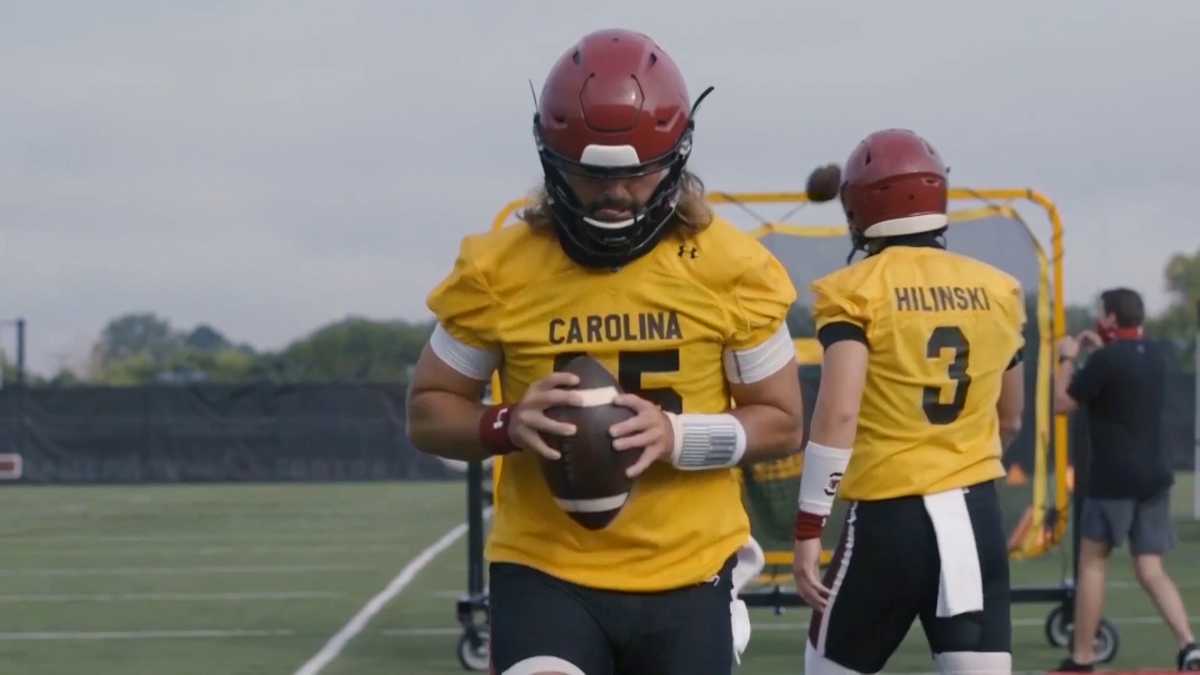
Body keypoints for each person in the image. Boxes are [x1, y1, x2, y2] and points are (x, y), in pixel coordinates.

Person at [405, 29, 806, 675]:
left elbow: (783, 421)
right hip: (545, 568)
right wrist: (506, 422)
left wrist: (677, 434)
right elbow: (427, 411)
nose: (614, 192)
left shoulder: (732, 268)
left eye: (636, 172)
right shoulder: (500, 269)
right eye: (591, 175)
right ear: (552, 162)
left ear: (675, 160)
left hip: (689, 569)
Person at [791, 129, 1026, 675]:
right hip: (974, 516)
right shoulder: (1000, 290)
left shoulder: (854, 289)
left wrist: (808, 526)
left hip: (888, 518)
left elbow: (840, 412)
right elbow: (1009, 417)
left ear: (859, 208)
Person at [1053, 288, 1200, 672]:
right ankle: (1189, 647)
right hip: (1154, 479)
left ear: (1113, 318)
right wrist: (1099, 350)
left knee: (1092, 564)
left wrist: (1068, 357)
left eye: (1103, 312)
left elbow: (1062, 403)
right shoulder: (1154, 355)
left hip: (1114, 480)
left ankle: (1082, 659)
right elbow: (1121, 372)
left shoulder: (1104, 360)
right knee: (1151, 568)